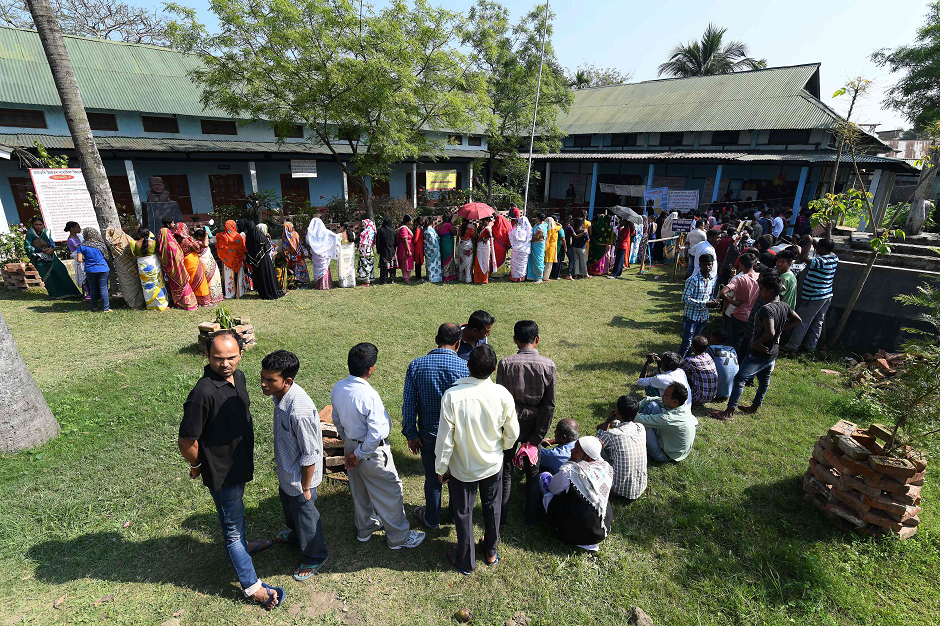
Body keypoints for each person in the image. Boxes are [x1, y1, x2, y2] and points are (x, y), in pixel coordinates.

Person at [178, 330, 283, 610]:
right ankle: (252, 587)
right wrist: (197, 465)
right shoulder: (203, 393)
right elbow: (187, 439)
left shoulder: (240, 377)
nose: (225, 364)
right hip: (222, 473)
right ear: (207, 356)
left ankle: (242, 548)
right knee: (232, 530)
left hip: (239, 463)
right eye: (218, 358)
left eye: (231, 357)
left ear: (241, 354)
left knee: (235, 518)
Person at [331, 343, 425, 549]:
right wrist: (359, 454)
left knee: (360, 491)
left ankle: (365, 529)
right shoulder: (369, 395)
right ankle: (398, 538)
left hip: (351, 445)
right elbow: (374, 433)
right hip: (371, 452)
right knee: (390, 492)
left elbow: (336, 418)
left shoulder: (338, 387)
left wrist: (350, 445)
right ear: (370, 368)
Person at [436, 344, 519, 573]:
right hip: (492, 465)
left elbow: (445, 440)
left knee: (464, 513)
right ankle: (490, 552)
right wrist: (502, 447)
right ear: (494, 369)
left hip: (462, 468)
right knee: (492, 507)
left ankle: (466, 561)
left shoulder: (452, 396)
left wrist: (441, 467)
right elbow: (512, 433)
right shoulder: (502, 394)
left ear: (468, 366)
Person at [260, 350, 329, 581]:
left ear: (287, 381)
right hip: (288, 472)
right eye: (263, 377)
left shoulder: (299, 410)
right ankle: (295, 534)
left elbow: (310, 454)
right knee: (291, 510)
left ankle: (314, 555)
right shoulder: (280, 395)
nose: (263, 384)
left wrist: (306, 487)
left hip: (301, 478)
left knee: (306, 515)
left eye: (270, 380)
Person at [401, 323, 470, 530]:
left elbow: (409, 403)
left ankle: (432, 518)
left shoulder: (416, 365)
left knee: (433, 479)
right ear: (458, 344)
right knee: (458, 479)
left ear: (435, 339)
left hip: (429, 435)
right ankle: (455, 516)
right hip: (458, 436)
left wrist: (411, 434)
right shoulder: (465, 368)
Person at [712, 276, 801, 421]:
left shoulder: (766, 309)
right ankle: (754, 407)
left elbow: (770, 332)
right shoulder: (784, 306)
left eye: (762, 290)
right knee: (764, 380)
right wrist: (780, 331)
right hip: (773, 352)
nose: (759, 293)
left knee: (740, 379)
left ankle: (729, 412)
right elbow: (797, 320)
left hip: (759, 352)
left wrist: (756, 343)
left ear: (771, 291)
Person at [496, 320, 556, 527]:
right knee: (533, 473)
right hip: (534, 425)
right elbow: (549, 405)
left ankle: (500, 518)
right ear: (537, 339)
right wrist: (537, 437)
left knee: (505, 472)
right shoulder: (548, 366)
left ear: (515, 340)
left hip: (509, 425)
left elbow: (499, 400)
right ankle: (531, 518)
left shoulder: (505, 364)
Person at [539, 436, 613, 551]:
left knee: (545, 478)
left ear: (587, 457)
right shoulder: (606, 468)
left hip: (574, 535)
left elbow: (553, 489)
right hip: (601, 532)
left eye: (576, 451)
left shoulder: (570, 471)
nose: (572, 451)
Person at [783, 238, 838, 356]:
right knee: (818, 321)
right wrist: (815, 243)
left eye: (818, 247)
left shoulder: (821, 261)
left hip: (815, 296)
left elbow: (803, 258)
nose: (816, 249)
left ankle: (792, 347)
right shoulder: (834, 257)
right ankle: (810, 348)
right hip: (826, 294)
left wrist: (808, 243)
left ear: (823, 248)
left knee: (802, 321)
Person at [596, 396, 648, 500]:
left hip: (618, 490)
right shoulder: (640, 428)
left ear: (618, 413)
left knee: (598, 453)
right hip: (640, 486)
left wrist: (608, 421)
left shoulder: (611, 434)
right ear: (636, 413)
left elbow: (593, 446)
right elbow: (623, 425)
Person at [24, 216, 82, 300]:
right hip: (38, 257)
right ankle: (56, 294)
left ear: (43, 225)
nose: (38, 226)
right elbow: (28, 247)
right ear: (33, 225)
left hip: (50, 255)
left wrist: (51, 249)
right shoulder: (30, 234)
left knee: (61, 270)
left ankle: (71, 292)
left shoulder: (46, 232)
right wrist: (41, 249)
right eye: (36, 225)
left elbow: (51, 243)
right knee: (49, 275)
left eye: (40, 224)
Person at [635, 384, 696, 463]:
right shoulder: (683, 407)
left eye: (665, 396)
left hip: (664, 455)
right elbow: (655, 399)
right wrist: (639, 405)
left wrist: (625, 411)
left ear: (675, 401)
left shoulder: (669, 418)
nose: (662, 397)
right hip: (675, 450)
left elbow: (640, 419)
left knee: (642, 425)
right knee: (653, 405)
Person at [679, 253, 716, 358]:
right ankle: (679, 365)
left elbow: (710, 295)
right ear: (700, 265)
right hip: (691, 317)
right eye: (705, 265)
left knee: (697, 344)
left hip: (703, 317)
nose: (708, 267)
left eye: (710, 264)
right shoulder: (693, 280)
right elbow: (685, 299)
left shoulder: (711, 280)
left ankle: (691, 363)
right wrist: (705, 303)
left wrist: (714, 301)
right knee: (687, 344)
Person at [719, 252, 759, 350]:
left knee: (734, 341)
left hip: (739, 315)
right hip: (754, 315)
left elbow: (722, 292)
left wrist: (733, 302)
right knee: (747, 341)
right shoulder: (760, 277)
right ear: (755, 265)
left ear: (740, 264)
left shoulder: (738, 279)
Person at [105, 226, 146, 309]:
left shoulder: (121, 240)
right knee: (128, 284)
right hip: (124, 266)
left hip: (126, 265)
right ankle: (135, 303)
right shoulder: (118, 242)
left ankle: (136, 303)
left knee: (132, 284)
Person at [172, 223, 213, 307]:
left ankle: (194, 300)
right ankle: (204, 302)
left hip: (184, 261)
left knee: (191, 282)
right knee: (200, 280)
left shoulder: (175, 240)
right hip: (192, 260)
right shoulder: (186, 240)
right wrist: (206, 235)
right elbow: (201, 246)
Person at [242, 220, 283, 299]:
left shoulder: (248, 237)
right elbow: (267, 246)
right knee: (267, 275)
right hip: (264, 260)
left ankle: (263, 293)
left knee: (260, 277)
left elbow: (248, 250)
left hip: (255, 263)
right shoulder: (259, 235)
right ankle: (270, 291)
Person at [74, 227, 113, 312]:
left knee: (93, 288)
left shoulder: (82, 246)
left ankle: (94, 306)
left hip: (90, 269)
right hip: (103, 268)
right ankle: (106, 308)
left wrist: (87, 260)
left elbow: (79, 259)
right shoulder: (101, 245)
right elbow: (107, 256)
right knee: (104, 288)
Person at [131, 229, 169, 311]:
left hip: (142, 267)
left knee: (147, 286)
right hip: (154, 265)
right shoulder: (154, 242)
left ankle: (150, 305)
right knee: (158, 284)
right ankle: (162, 304)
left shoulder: (133, 244)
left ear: (139, 235)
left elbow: (134, 254)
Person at [681, 336, 718, 405]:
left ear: (692, 347)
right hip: (711, 396)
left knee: (681, 374)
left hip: (698, 398)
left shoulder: (690, 361)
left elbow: (675, 369)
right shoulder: (709, 357)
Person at [217, 220, 249, 299]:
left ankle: (229, 293)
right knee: (239, 276)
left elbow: (219, 247)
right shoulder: (238, 237)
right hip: (237, 260)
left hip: (227, 261)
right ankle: (239, 292)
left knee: (229, 277)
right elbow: (243, 248)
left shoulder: (221, 236)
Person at [305, 218, 339, 290]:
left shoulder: (310, 233)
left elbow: (308, 244)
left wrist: (309, 253)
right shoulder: (326, 232)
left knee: (317, 268)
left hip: (315, 254)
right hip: (324, 254)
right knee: (325, 268)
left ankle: (318, 285)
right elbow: (335, 236)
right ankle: (326, 284)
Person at [706, 328, 739, 404]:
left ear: (714, 339)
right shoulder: (732, 349)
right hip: (731, 390)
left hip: (716, 392)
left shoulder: (712, 349)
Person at [64, 221, 89, 300]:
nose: (80, 229)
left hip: (86, 259)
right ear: (72, 229)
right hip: (80, 260)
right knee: (84, 277)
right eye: (77, 227)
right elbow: (81, 247)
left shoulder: (79, 236)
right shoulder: (71, 240)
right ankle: (86, 295)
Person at [281, 222, 309, 286]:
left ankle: (294, 282)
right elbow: (300, 243)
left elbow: (285, 248)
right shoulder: (295, 234)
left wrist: (289, 255)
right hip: (298, 255)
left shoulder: (285, 236)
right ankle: (302, 282)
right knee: (299, 268)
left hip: (291, 256)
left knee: (293, 269)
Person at [474, 215, 497, 284]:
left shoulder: (487, 228)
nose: (483, 222)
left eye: (484, 221)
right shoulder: (484, 228)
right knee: (479, 261)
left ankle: (483, 279)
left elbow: (490, 235)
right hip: (481, 247)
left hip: (484, 247)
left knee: (484, 262)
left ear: (487, 221)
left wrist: (485, 239)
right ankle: (479, 279)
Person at [509, 214, 532, 282]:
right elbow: (530, 239)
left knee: (515, 265)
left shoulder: (516, 229)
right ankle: (522, 278)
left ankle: (514, 278)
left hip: (516, 250)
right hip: (524, 250)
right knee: (522, 265)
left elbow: (510, 236)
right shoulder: (528, 231)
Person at [376, 217, 398, 284]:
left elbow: (378, 241)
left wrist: (378, 250)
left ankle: (384, 280)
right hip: (392, 250)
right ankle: (392, 279)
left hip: (384, 251)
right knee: (392, 267)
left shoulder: (380, 230)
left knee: (384, 267)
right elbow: (396, 241)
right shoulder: (393, 230)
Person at [526, 213, 547, 282]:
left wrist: (526, 238)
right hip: (535, 245)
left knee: (538, 260)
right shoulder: (539, 225)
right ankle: (532, 276)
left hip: (538, 245)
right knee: (532, 259)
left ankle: (539, 277)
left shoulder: (540, 227)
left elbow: (535, 237)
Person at [396, 215, 415, 284]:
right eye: (411, 220)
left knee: (408, 262)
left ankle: (408, 276)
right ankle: (406, 278)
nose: (412, 221)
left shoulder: (407, 228)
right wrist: (408, 250)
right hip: (405, 249)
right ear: (408, 221)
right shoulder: (403, 228)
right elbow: (405, 240)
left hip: (408, 247)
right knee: (405, 263)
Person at [438, 215, 457, 282]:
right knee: (449, 259)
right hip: (448, 244)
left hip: (442, 244)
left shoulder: (439, 225)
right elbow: (455, 233)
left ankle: (443, 275)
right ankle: (448, 276)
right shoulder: (448, 225)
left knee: (443, 260)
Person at [357, 219, 377, 285]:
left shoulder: (365, 232)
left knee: (365, 265)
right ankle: (371, 280)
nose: (363, 225)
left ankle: (366, 281)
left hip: (364, 250)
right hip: (370, 250)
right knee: (370, 264)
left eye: (364, 224)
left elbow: (362, 242)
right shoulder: (373, 231)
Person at [423, 218, 442, 283]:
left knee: (430, 264)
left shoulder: (427, 230)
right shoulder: (430, 230)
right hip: (433, 249)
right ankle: (433, 277)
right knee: (433, 264)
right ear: (432, 222)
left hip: (428, 249)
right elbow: (433, 241)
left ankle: (430, 276)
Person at [457, 218, 476, 283]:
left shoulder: (460, 230)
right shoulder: (470, 230)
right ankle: (468, 278)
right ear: (468, 223)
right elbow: (475, 237)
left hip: (461, 245)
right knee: (468, 262)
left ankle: (461, 277)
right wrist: (475, 228)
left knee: (461, 261)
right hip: (468, 246)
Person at [550, 215, 568, 280]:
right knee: (557, 261)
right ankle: (555, 275)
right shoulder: (559, 228)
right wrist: (565, 247)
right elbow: (563, 239)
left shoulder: (548, 227)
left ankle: (550, 274)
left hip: (550, 247)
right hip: (558, 247)